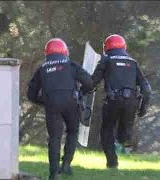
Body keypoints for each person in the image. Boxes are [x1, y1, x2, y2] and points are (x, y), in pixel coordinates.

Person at [27, 38, 93, 180]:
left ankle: (54, 173)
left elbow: (31, 94)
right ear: (65, 52)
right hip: (71, 102)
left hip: (52, 105)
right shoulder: (71, 65)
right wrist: (81, 94)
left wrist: (45, 101)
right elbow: (89, 82)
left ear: (47, 53)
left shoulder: (42, 68)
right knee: (73, 131)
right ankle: (67, 164)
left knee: (55, 137)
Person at [92, 34, 151, 168]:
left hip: (113, 100)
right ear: (124, 46)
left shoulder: (106, 60)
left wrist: (85, 90)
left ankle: (112, 162)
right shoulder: (133, 62)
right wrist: (143, 106)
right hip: (131, 102)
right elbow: (146, 88)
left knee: (106, 131)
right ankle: (125, 144)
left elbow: (93, 82)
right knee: (124, 131)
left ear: (106, 47)